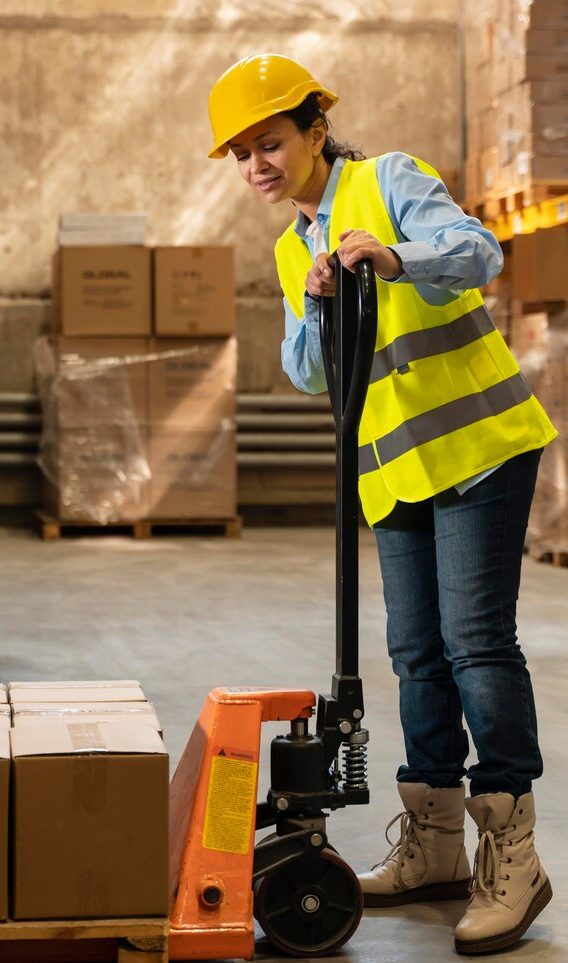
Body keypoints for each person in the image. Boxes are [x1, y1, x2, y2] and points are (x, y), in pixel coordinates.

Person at [207, 53, 556, 956]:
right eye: (243, 154)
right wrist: (318, 304)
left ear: (315, 130)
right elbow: (305, 369)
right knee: (415, 652)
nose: (258, 166)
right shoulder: (293, 247)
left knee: (477, 641)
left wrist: (394, 256)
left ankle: (511, 851)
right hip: (393, 471)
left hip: (478, 450)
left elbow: (479, 253)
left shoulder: (389, 180)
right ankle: (435, 843)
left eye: (270, 142)